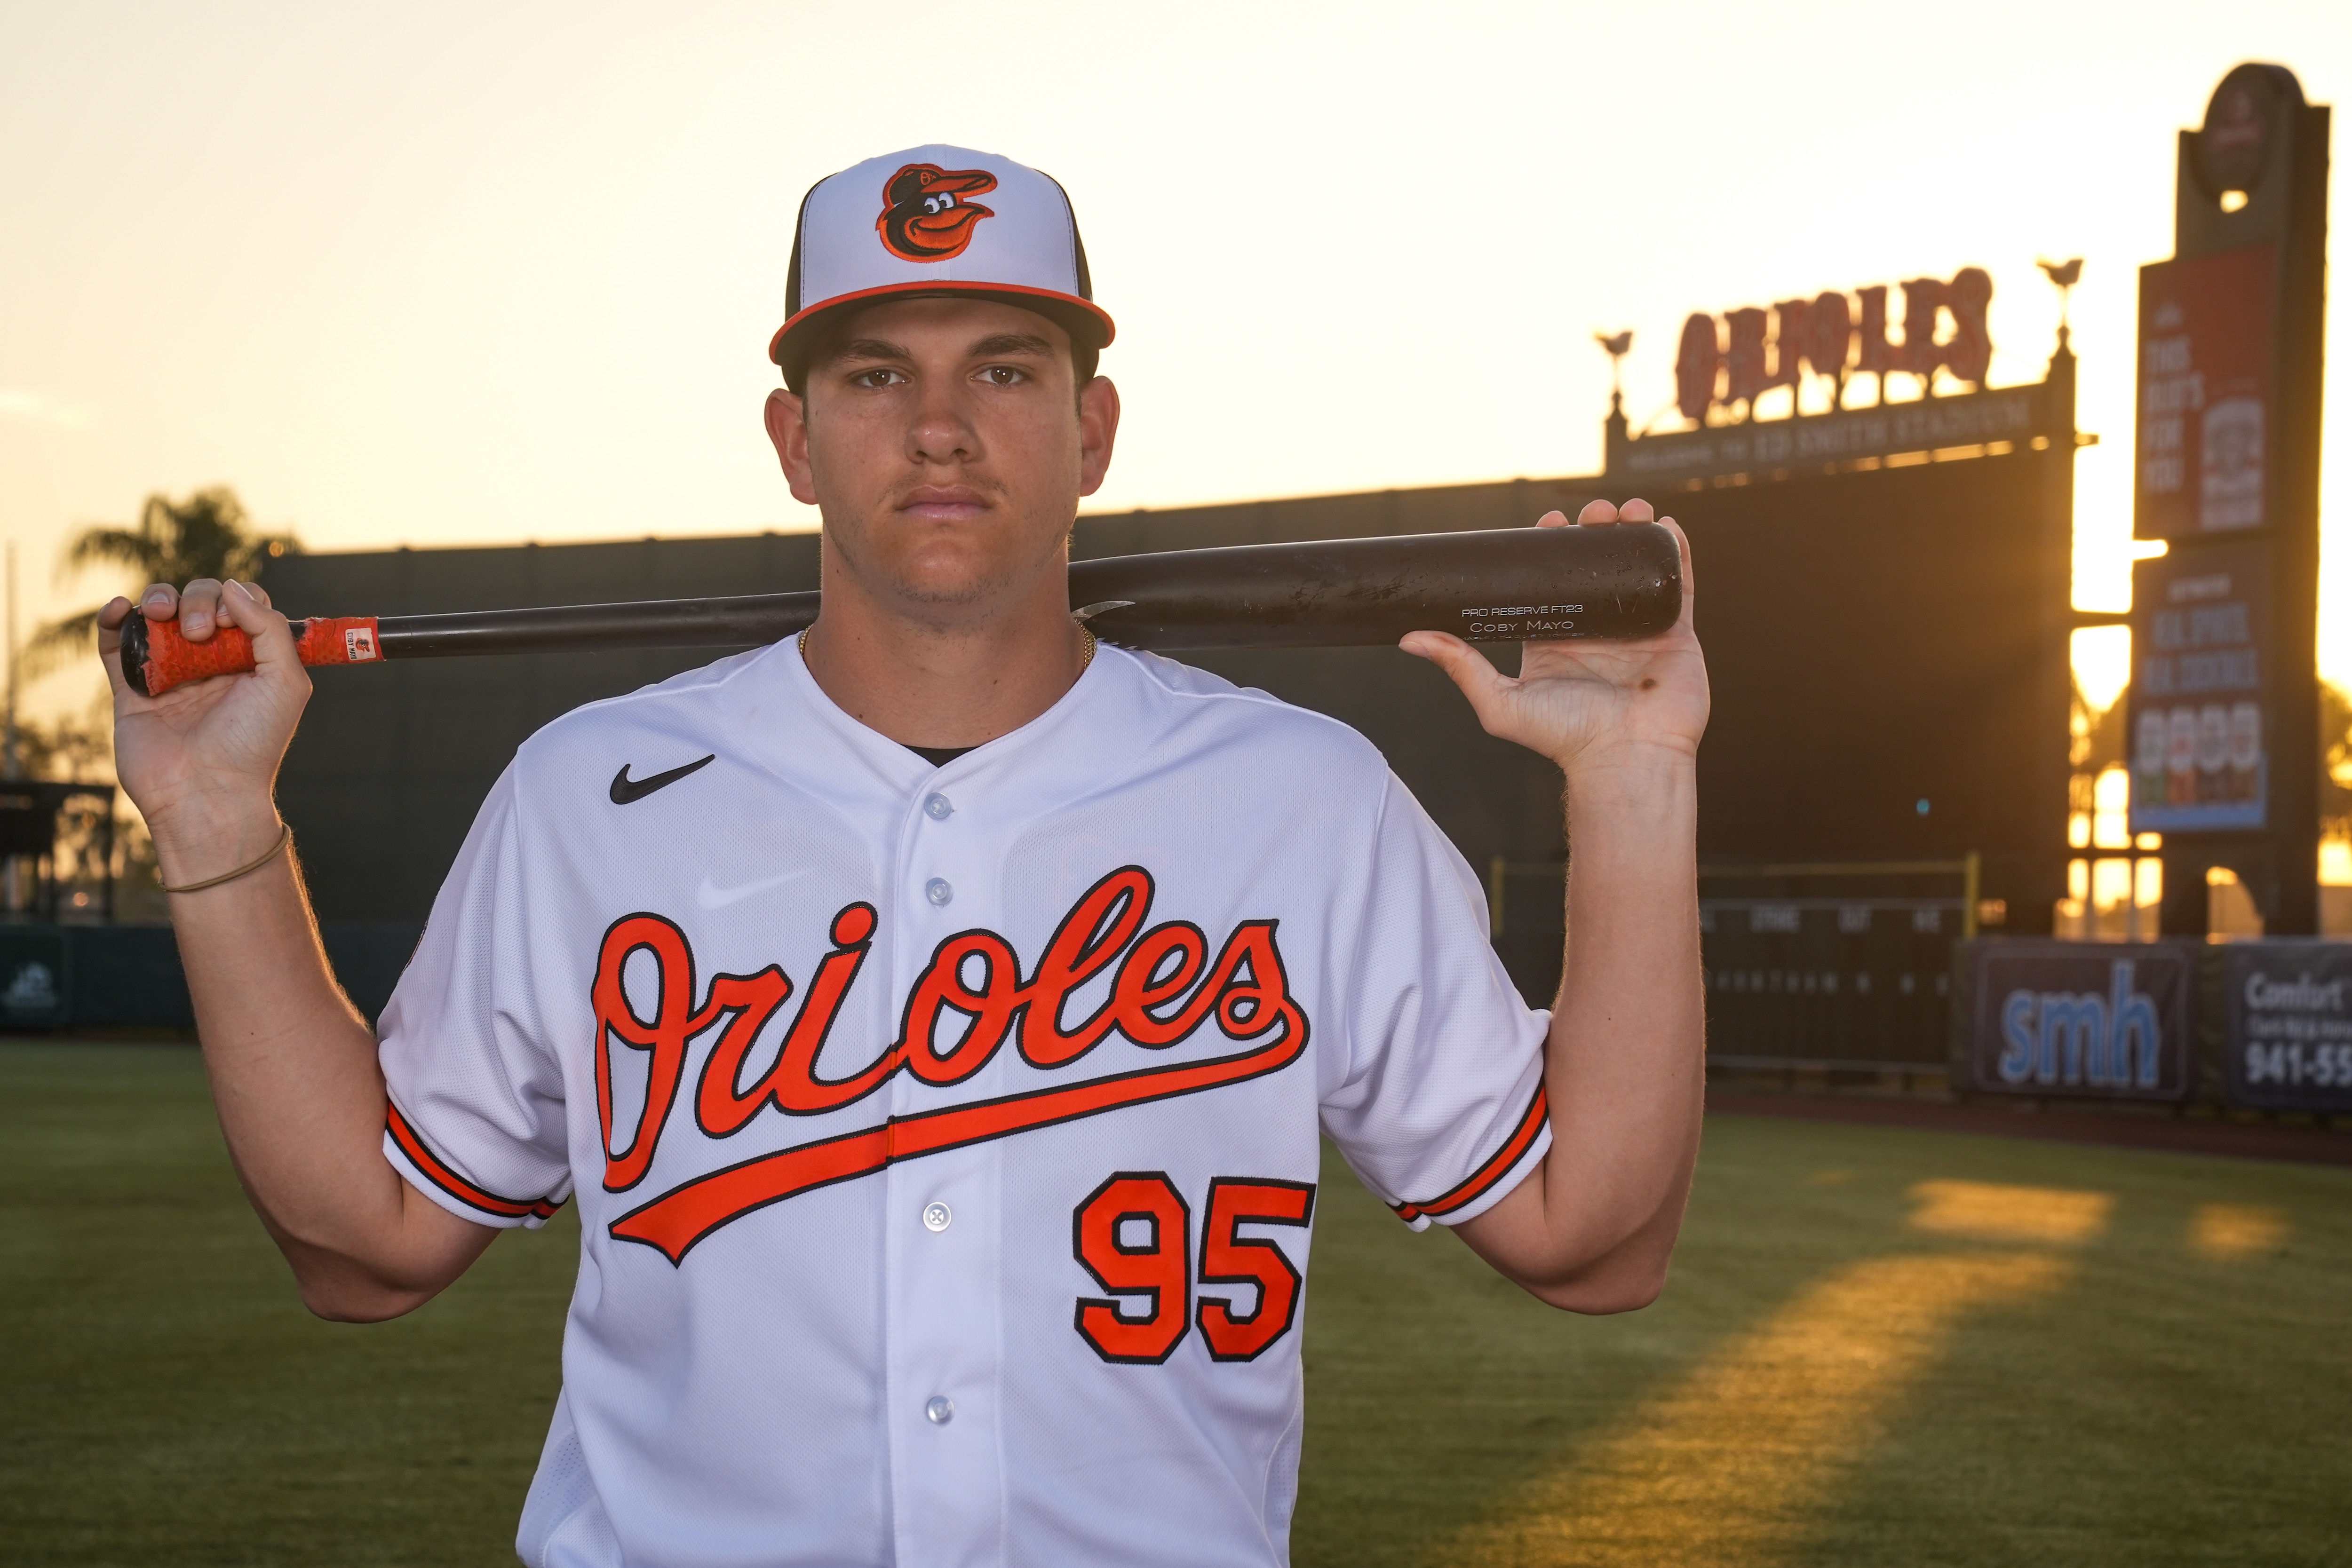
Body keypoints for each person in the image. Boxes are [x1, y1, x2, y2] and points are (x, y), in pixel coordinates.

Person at [101, 145, 1708, 1567]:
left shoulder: (1301, 799)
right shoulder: (585, 794)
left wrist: (1636, 778)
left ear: (1092, 431)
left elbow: (1598, 1240)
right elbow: (362, 1252)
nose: (939, 429)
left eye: (1003, 371)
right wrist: (216, 824)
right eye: (875, 377)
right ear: (795, 441)